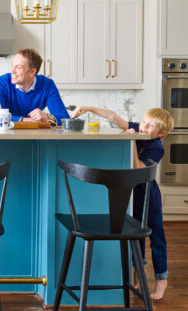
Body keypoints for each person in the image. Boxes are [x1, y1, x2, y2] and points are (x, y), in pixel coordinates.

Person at [72, 106, 174, 301]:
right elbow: (113, 116)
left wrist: (131, 141)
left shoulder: (156, 147)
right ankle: (138, 272)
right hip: (132, 195)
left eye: (150, 125)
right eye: (144, 122)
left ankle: (162, 280)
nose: (143, 127)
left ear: (162, 133)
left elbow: (137, 168)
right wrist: (88, 108)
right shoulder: (139, 129)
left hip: (148, 199)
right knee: (136, 237)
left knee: (156, 238)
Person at [0, 48, 69, 125]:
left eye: (18, 67)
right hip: (6, 135)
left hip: (35, 136)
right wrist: (25, 120)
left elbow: (65, 119)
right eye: (12, 66)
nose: (12, 71)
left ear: (32, 72)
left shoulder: (47, 85)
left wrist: (48, 117)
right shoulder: (1, 83)